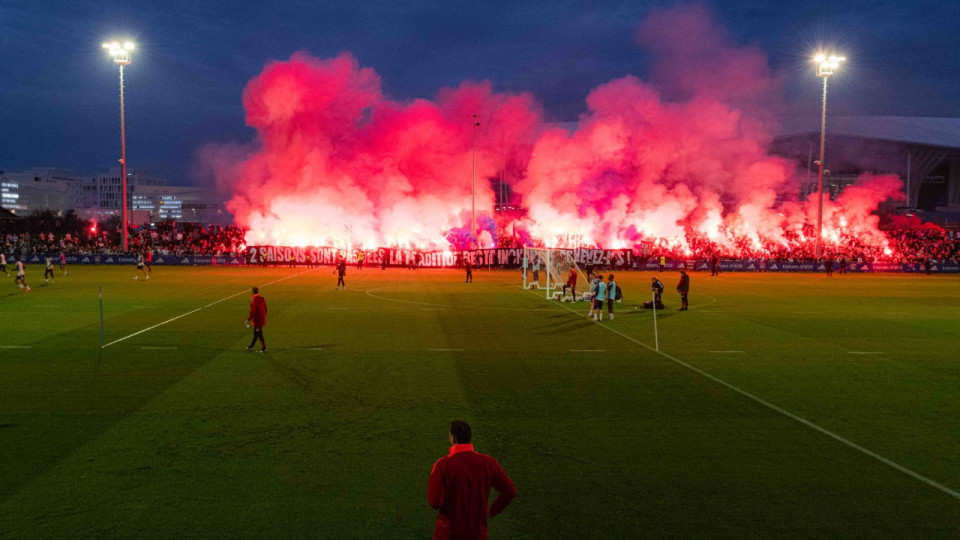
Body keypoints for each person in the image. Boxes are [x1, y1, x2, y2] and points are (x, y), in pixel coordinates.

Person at [428, 420, 517, 540]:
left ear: (453, 438)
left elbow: (434, 502)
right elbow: (510, 491)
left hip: (448, 534)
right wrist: (492, 511)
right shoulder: (488, 463)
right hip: (477, 534)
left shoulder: (443, 465)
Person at [245, 286, 267, 353]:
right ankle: (251, 347)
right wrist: (262, 316)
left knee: (259, 333)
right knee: (256, 333)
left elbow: (253, 311)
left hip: (257, 321)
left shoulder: (254, 300)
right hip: (261, 319)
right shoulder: (262, 299)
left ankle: (264, 348)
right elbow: (266, 309)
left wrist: (248, 319)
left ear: (253, 292)